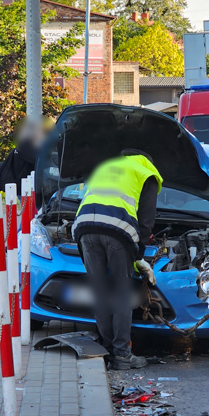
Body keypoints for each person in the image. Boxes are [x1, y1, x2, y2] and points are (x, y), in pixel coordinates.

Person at [72, 149, 162, 370]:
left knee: (100, 292)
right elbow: (146, 221)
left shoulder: (107, 167)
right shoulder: (146, 173)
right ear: (148, 161)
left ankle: (107, 349)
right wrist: (139, 256)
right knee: (123, 293)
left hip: (84, 228)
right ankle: (122, 355)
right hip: (117, 231)